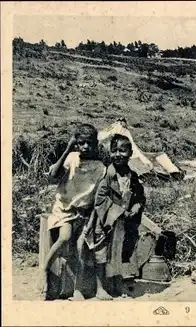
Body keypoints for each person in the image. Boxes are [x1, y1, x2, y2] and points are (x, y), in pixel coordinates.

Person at [43, 123, 107, 300]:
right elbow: (54, 175)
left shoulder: (101, 167)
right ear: (76, 144)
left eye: (89, 143)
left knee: (82, 247)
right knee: (64, 238)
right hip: (64, 209)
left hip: (84, 213)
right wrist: (68, 148)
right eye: (81, 143)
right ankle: (44, 272)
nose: (85, 147)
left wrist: (90, 219)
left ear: (96, 144)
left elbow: (96, 198)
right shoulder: (71, 158)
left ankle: (78, 288)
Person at [84, 134, 145, 300]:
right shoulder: (107, 174)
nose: (118, 154)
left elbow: (139, 195)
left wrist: (136, 206)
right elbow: (100, 199)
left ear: (130, 153)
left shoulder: (132, 176)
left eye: (122, 151)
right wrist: (119, 211)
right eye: (114, 151)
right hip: (105, 221)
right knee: (101, 254)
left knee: (117, 253)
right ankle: (100, 288)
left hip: (122, 223)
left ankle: (117, 283)